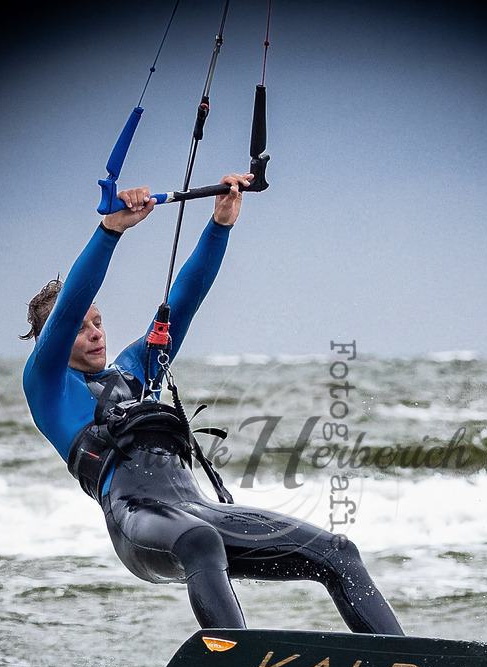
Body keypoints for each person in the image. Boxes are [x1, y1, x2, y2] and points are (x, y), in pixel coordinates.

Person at [22, 173, 404, 636]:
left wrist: (219, 225)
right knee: (200, 542)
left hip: (197, 509)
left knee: (337, 552)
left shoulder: (134, 369)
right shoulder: (48, 385)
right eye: (82, 327)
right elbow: (68, 307)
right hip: (137, 520)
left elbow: (184, 300)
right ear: (53, 340)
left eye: (99, 321)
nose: (96, 332)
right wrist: (111, 231)